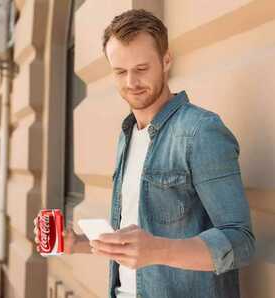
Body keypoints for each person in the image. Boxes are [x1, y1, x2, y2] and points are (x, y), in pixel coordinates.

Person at [34, 9, 255, 298]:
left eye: (141, 69)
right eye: (120, 71)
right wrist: (76, 242)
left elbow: (241, 242)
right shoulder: (128, 134)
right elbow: (136, 239)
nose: (131, 83)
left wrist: (159, 250)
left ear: (166, 61)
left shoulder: (201, 131)